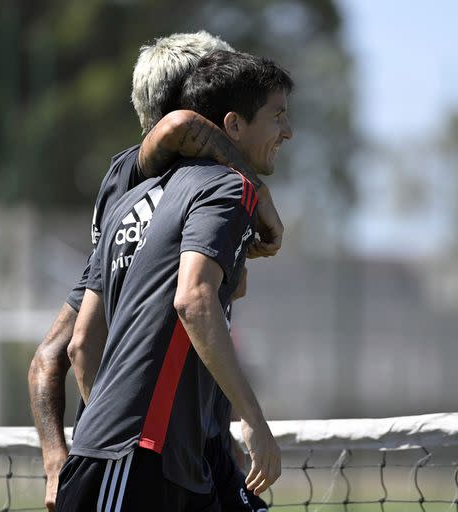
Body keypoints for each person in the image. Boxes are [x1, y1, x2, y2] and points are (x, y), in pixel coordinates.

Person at [27, 32, 281, 511]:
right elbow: (71, 348)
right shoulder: (136, 179)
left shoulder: (187, 194)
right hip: (142, 451)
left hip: (186, 452)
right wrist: (73, 455)